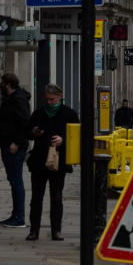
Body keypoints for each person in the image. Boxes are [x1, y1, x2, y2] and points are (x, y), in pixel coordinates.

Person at [25, 84, 79, 241]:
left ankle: (56, 230)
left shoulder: (69, 113)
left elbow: (76, 135)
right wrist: (34, 132)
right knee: (36, 197)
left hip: (59, 162)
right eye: (48, 99)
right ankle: (34, 230)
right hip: (39, 160)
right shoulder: (39, 113)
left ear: (60, 97)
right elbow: (27, 131)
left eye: (53, 100)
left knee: (56, 197)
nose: (50, 103)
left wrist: (63, 139)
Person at [0, 72, 31, 227]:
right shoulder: (12, 99)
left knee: (16, 181)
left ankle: (19, 217)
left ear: (7, 84)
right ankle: (16, 215)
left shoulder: (18, 100)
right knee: (14, 180)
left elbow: (25, 123)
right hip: (8, 145)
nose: (0, 86)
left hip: (13, 147)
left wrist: (16, 142)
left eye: (2, 83)